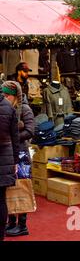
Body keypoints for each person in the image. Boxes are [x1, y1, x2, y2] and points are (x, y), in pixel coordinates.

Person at [2, 82, 34, 237]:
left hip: (22, 154)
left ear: (16, 96)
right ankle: (11, 222)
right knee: (10, 190)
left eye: (8, 95)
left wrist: (13, 137)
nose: (6, 98)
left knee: (23, 187)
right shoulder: (7, 109)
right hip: (12, 152)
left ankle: (22, 224)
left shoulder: (25, 109)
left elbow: (30, 130)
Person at [0, 84, 20, 241]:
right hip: (6, 158)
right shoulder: (9, 108)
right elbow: (15, 138)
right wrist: (15, 161)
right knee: (1, 199)